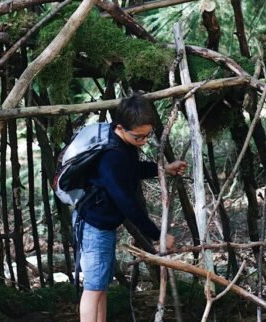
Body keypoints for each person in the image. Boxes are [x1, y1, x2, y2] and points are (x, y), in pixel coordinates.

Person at [74, 94, 187, 322]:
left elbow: (133, 169)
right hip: (93, 226)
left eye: (147, 135)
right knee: (93, 288)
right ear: (120, 128)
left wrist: (163, 168)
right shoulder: (111, 156)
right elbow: (127, 203)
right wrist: (157, 235)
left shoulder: (124, 146)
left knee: (101, 286)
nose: (143, 141)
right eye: (139, 137)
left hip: (103, 224)